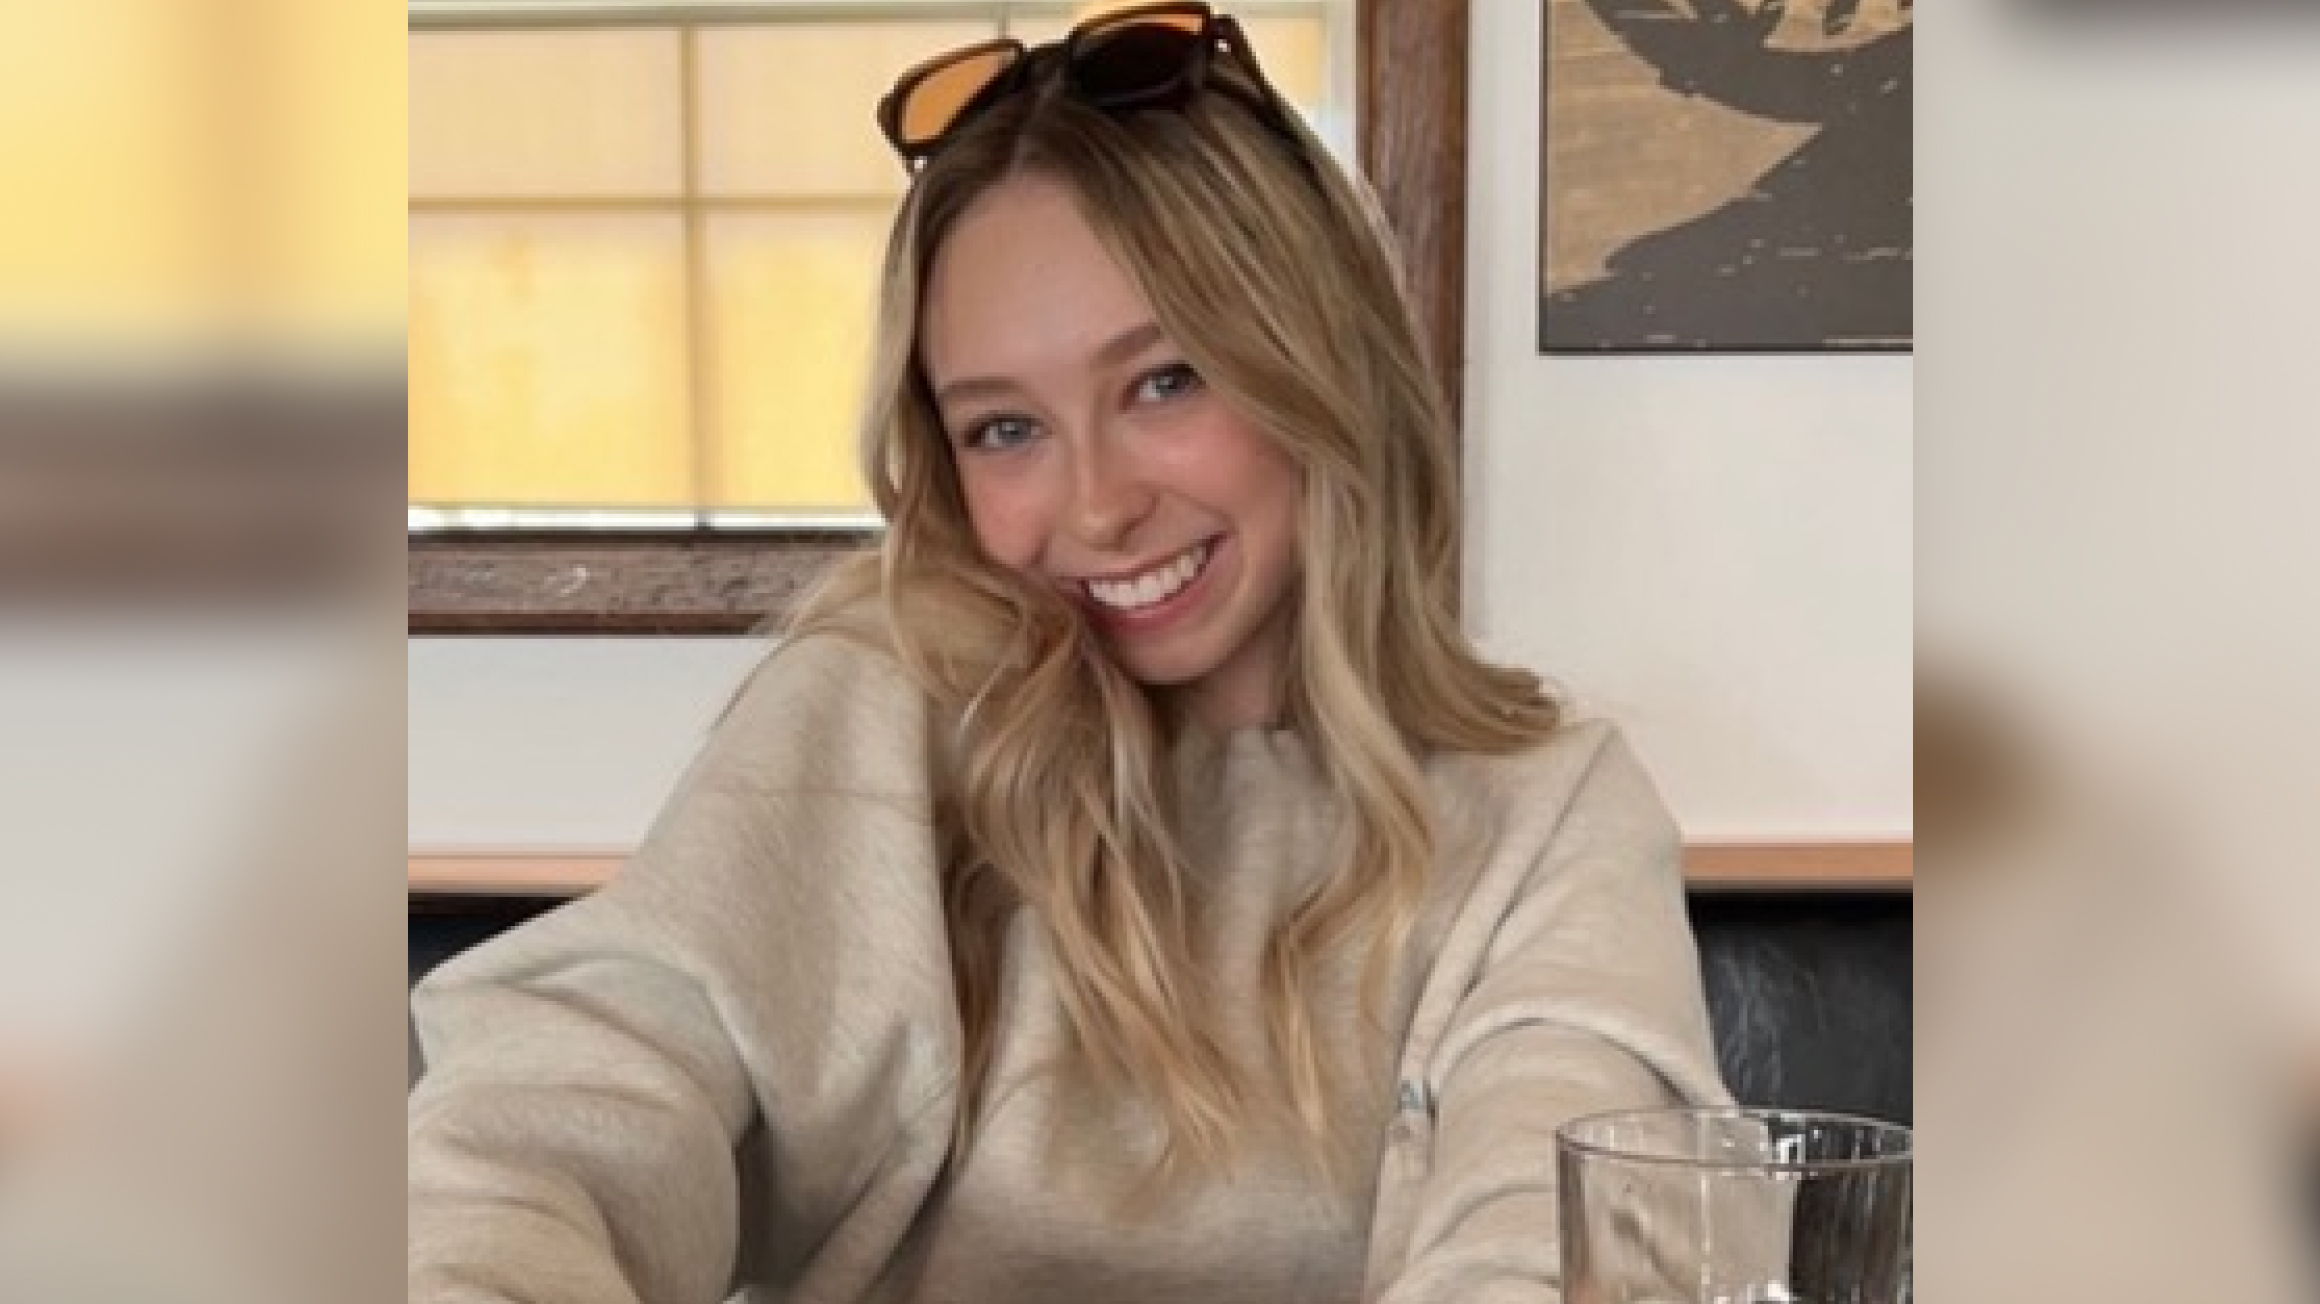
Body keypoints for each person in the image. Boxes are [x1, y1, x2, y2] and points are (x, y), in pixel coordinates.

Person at [407, 5, 1729, 1301]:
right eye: (1004, 430)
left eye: (1165, 382)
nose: (1095, 509)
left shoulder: (1548, 812)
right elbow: (577, 1094)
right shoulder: (886, 704)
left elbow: (1571, 1233)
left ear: (1317, 367)